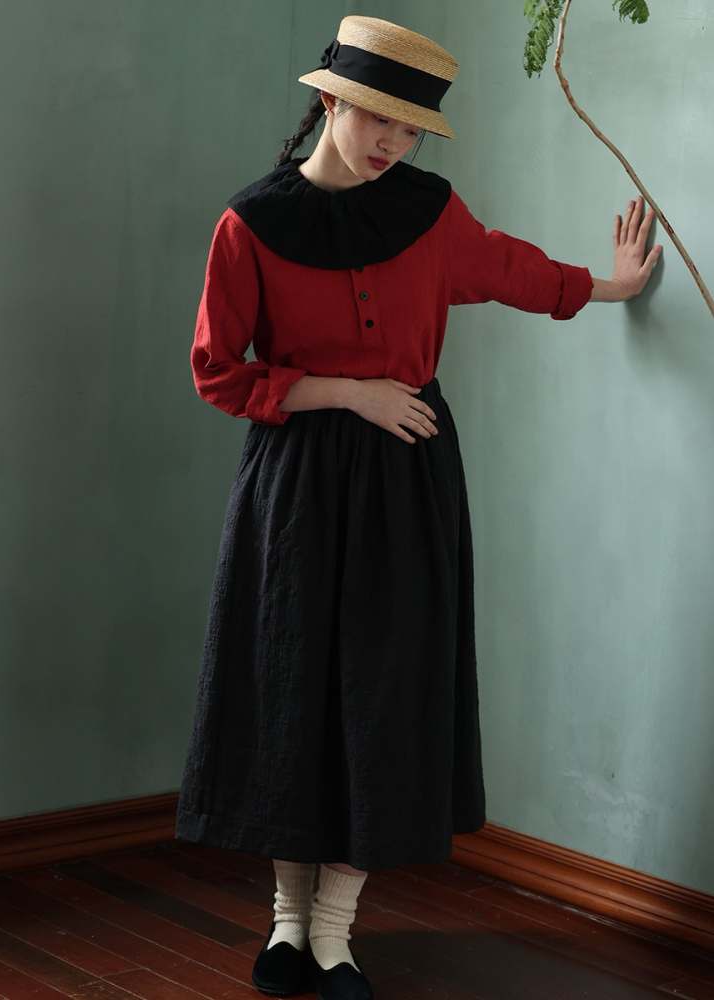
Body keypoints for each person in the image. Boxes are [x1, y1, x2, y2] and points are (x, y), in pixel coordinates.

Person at [174, 15, 662, 1000]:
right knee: (293, 684)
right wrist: (348, 392)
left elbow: (514, 269)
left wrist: (612, 286)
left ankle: (334, 934)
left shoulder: (430, 214)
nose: (393, 143)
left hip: (407, 479)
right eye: (378, 119)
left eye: (411, 129)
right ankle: (285, 923)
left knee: (384, 691)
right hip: (295, 483)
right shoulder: (250, 225)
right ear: (330, 100)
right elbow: (218, 372)